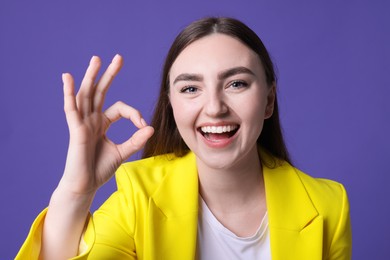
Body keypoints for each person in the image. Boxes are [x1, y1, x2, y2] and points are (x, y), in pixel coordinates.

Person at [16, 17, 351, 259]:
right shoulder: (140, 196)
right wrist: (76, 190)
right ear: (172, 104)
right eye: (191, 88)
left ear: (268, 100)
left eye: (236, 84)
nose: (215, 108)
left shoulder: (327, 206)